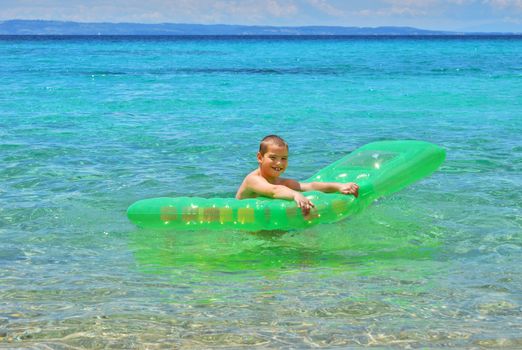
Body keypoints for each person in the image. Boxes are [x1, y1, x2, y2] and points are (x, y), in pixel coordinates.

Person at [236, 135, 359, 215]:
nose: (279, 163)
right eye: (273, 157)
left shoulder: (282, 182)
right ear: (260, 157)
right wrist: (295, 194)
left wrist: (339, 186)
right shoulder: (253, 180)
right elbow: (274, 190)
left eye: (284, 158)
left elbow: (310, 186)